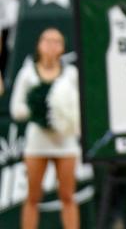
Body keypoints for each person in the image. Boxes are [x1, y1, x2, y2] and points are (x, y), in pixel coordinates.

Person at [11, 28, 80, 229]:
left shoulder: (71, 74)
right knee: (32, 197)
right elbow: (16, 109)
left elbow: (78, 107)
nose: (51, 45)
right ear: (39, 45)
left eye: (57, 41)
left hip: (64, 141)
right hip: (37, 142)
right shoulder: (27, 73)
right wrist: (37, 109)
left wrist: (63, 118)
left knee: (68, 196)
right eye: (47, 40)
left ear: (63, 47)